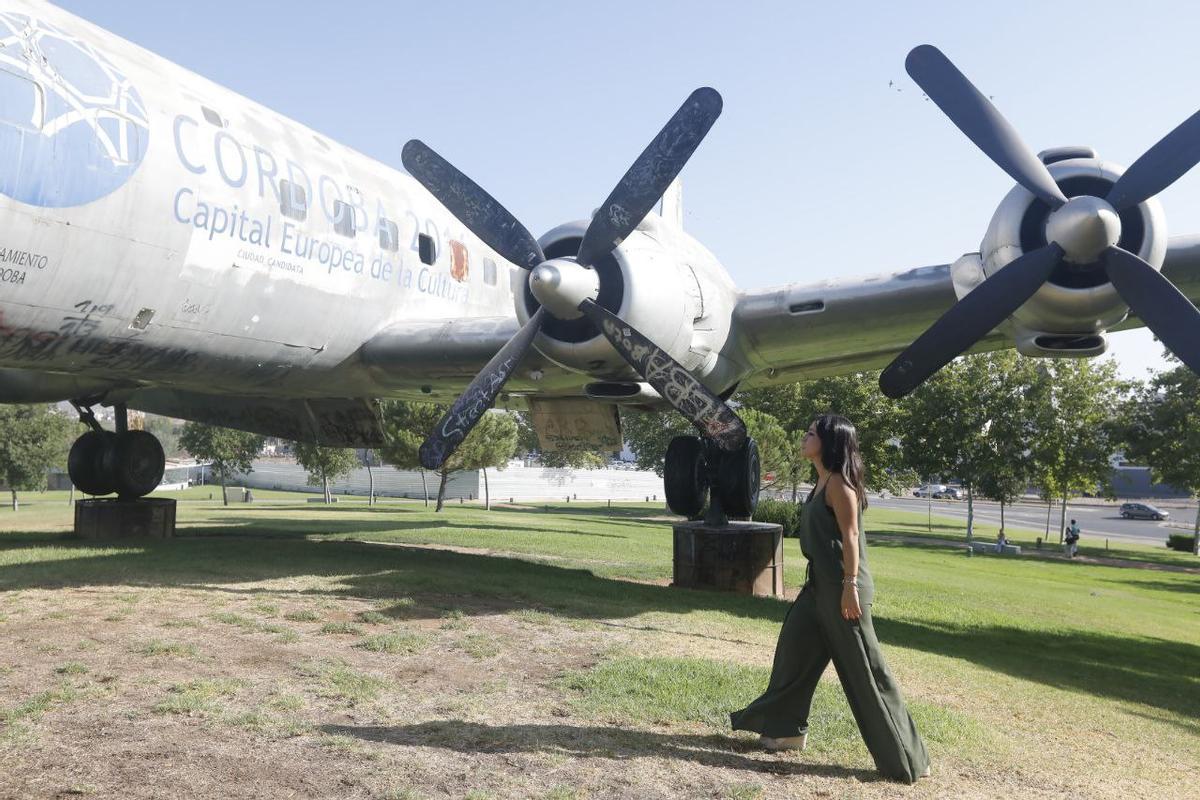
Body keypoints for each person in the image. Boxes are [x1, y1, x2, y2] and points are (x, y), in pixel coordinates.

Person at [729, 414, 930, 783]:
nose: (804, 438)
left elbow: (851, 538)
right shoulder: (820, 480)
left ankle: (908, 758)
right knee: (794, 651)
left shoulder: (840, 484)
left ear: (830, 442)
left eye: (810, 434)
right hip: (818, 587)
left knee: (865, 674)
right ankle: (787, 730)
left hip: (844, 589)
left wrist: (850, 586)